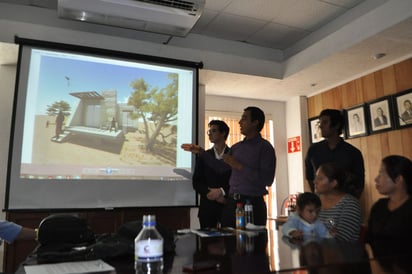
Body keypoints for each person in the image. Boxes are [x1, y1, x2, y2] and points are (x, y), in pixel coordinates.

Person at [182, 106, 276, 228]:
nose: (240, 122)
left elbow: (267, 180)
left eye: (244, 118)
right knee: (230, 244)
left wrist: (239, 165)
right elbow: (220, 168)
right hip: (232, 204)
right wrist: (201, 152)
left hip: (252, 203)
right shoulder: (237, 148)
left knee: (254, 244)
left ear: (255, 122)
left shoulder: (265, 148)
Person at [305, 109, 365, 198]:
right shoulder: (313, 150)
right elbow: (310, 177)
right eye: (320, 123)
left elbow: (359, 183)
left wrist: (350, 202)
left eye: (325, 122)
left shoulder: (352, 152)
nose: (321, 126)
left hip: (345, 204)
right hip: (320, 203)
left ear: (336, 125)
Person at [366, 155, 412, 258]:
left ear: (399, 179)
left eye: (381, 173)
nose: (376, 179)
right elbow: (369, 240)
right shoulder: (379, 206)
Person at [191, 120, 231, 229]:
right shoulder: (204, 155)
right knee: (207, 244)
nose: (210, 134)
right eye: (209, 132)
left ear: (223, 133)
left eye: (213, 131)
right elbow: (197, 181)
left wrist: (222, 192)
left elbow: (237, 180)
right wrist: (210, 193)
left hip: (227, 206)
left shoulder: (233, 154)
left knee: (229, 243)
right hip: (207, 208)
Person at [314, 162, 362, 242]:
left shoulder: (350, 204)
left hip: (342, 252)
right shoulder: (314, 201)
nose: (315, 181)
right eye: (316, 177)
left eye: (320, 178)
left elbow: (341, 239)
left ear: (333, 183)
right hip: (315, 251)